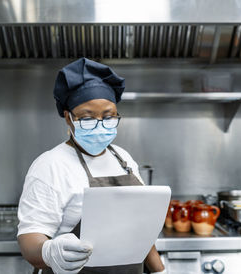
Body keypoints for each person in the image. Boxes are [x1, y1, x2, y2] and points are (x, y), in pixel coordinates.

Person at [17, 57, 166, 274]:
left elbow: (140, 229)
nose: (100, 126)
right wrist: (49, 252)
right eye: (87, 118)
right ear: (69, 118)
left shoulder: (123, 158)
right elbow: (30, 238)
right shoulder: (50, 165)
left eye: (108, 117)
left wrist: (160, 271)